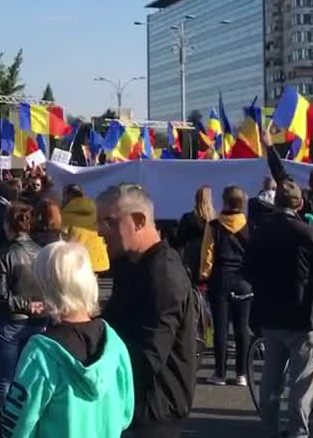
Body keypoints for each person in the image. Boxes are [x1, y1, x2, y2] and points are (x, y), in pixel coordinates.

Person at [0, 241, 134, 438]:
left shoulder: (41, 354)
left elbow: (16, 427)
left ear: (46, 287)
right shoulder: (114, 345)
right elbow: (125, 415)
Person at [97, 183, 197, 438]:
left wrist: (94, 377)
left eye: (108, 221)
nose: (100, 232)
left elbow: (147, 356)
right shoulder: (128, 263)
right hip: (132, 406)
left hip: (154, 412)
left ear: (139, 220)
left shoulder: (162, 272)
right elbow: (112, 325)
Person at [245, 178, 313, 438]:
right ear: (299, 204)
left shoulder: (260, 230)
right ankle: (298, 432)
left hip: (269, 312)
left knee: (271, 376)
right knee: (302, 379)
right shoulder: (305, 231)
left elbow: (248, 268)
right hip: (302, 314)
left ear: (275, 203)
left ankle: (269, 427)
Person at [0, 201, 47, 411]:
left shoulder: (5, 254)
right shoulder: (42, 252)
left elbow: (1, 295)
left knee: (7, 378)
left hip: (11, 321)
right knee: (31, 378)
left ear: (9, 225)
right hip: (37, 320)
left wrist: (26, 306)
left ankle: (6, 426)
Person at [200, 185, 251, 386]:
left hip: (220, 279)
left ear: (224, 201)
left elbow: (207, 255)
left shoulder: (213, 226)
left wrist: (203, 277)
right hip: (244, 280)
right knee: (242, 328)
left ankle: (220, 373)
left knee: (220, 328)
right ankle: (242, 374)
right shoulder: (249, 225)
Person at [59, 185, 109, 273]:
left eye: (64, 196)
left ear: (68, 197)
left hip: (85, 268)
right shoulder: (94, 209)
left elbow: (69, 244)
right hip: (102, 264)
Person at [176, 186, 214, 285]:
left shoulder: (188, 218)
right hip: (210, 257)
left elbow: (180, 241)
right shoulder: (215, 220)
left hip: (192, 256)